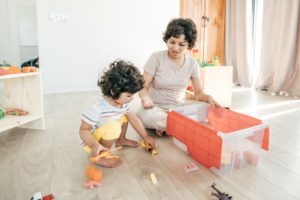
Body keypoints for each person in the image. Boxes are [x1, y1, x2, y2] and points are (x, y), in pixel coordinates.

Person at [138, 18, 222, 136]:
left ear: (189, 44)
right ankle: (176, 126)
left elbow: (198, 93)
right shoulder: (156, 58)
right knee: (147, 117)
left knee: (206, 108)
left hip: (178, 109)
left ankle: (169, 126)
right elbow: (143, 87)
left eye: (181, 44)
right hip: (155, 108)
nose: (176, 48)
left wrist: (209, 98)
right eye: (172, 42)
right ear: (167, 40)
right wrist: (145, 99)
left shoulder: (192, 63)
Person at [79, 60, 156, 168]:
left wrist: (146, 137)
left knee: (126, 116)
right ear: (113, 91)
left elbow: (133, 119)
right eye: (129, 96)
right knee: (114, 126)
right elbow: (83, 130)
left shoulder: (123, 104)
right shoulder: (97, 109)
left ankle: (121, 139)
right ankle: (101, 156)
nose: (132, 99)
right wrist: (94, 145)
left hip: (107, 132)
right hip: (94, 143)